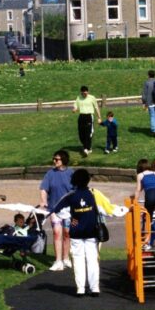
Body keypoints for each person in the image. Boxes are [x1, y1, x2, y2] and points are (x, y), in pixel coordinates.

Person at [52, 169, 100, 297]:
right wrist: (124, 210)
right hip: (91, 231)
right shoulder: (94, 193)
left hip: (76, 231)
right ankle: (95, 288)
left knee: (78, 259)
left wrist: (71, 217)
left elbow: (57, 210)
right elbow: (107, 208)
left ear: (74, 181)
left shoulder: (71, 196)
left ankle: (80, 289)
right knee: (92, 259)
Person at [39, 150, 73, 271]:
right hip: (54, 208)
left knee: (67, 233)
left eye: (57, 159)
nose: (54, 161)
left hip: (68, 209)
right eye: (53, 159)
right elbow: (43, 189)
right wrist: (43, 200)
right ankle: (58, 260)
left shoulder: (70, 173)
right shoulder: (50, 174)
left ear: (63, 160)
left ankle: (66, 258)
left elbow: (75, 190)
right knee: (57, 232)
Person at [136, 158, 155, 250]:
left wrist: (135, 201)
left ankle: (147, 242)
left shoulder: (141, 175)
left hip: (150, 195)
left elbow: (138, 189)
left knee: (147, 218)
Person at [72, 85, 102, 156]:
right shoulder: (78, 98)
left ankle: (87, 148)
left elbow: (96, 107)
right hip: (81, 116)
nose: (85, 94)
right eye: (83, 93)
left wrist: (99, 117)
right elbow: (76, 106)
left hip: (89, 116)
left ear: (88, 92)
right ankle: (85, 146)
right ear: (81, 92)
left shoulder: (92, 98)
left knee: (88, 133)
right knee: (81, 134)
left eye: (86, 93)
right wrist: (74, 109)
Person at [142, 70, 155, 137]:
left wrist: (144, 102)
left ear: (148, 75)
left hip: (150, 102)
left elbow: (144, 94)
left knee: (152, 115)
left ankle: (154, 130)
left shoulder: (147, 83)